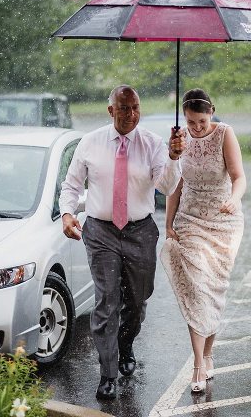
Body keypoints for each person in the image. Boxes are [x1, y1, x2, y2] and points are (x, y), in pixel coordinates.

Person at [58, 85, 186, 401]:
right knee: (106, 299)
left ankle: (126, 341)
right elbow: (71, 186)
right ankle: (108, 373)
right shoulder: (89, 143)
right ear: (110, 110)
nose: (130, 114)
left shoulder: (154, 144)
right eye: (124, 108)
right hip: (100, 231)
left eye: (135, 108)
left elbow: (167, 186)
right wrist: (66, 213)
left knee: (139, 299)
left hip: (140, 230)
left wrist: (172, 157)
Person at [160, 88, 246, 394]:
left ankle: (209, 353)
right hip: (191, 220)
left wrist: (234, 200)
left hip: (224, 222)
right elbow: (175, 186)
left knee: (213, 291)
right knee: (196, 288)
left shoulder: (224, 134)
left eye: (201, 121)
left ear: (211, 112)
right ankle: (198, 362)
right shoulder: (180, 138)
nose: (196, 128)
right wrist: (168, 223)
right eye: (191, 121)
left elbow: (239, 177)